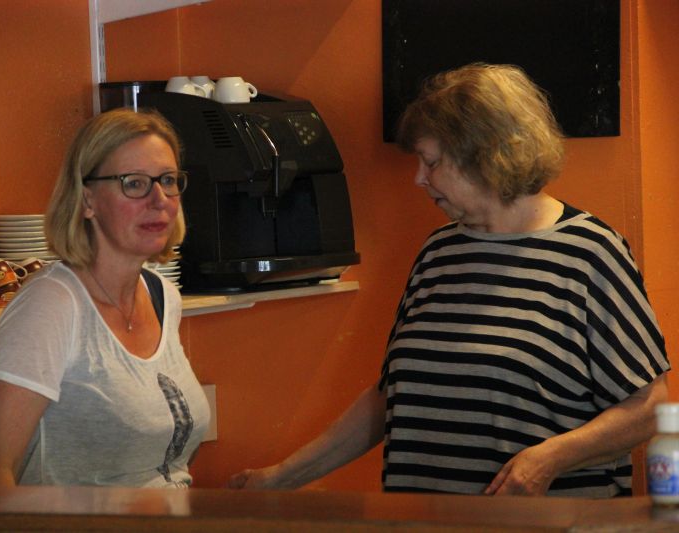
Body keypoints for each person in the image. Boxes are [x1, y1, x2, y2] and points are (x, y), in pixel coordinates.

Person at [228, 63, 670, 497]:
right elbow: (392, 396)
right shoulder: (439, 252)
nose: (419, 178)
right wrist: (280, 478)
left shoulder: (590, 252)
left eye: (432, 161)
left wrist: (550, 459)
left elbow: (648, 407)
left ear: (487, 156)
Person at [0, 108, 210, 487]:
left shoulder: (162, 295)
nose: (159, 198)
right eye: (134, 183)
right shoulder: (49, 305)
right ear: (86, 200)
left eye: (168, 180)